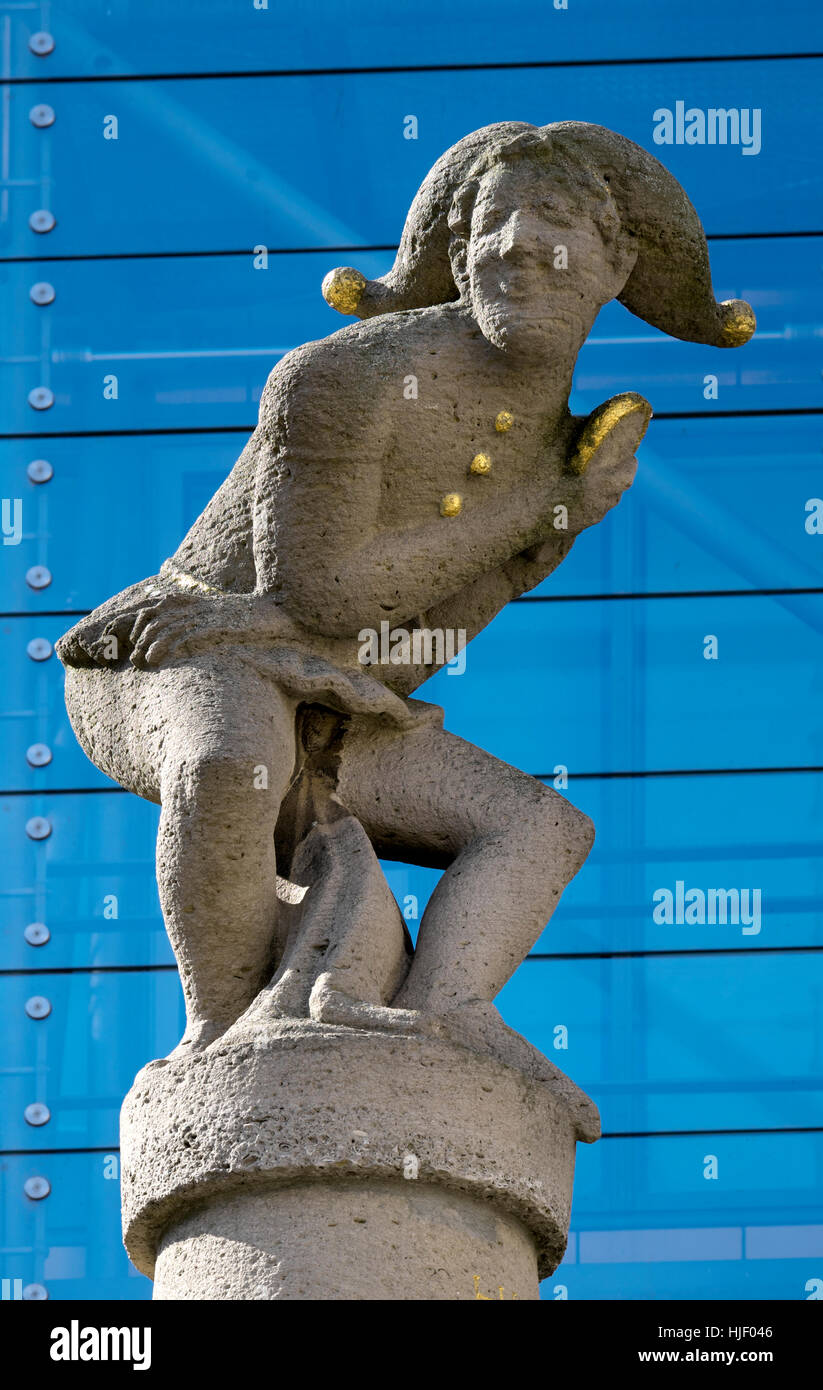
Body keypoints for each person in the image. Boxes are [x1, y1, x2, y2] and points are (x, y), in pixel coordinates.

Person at [58, 122, 754, 1059]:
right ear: (459, 254)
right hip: (180, 652)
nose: (515, 245)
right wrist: (546, 514)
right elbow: (325, 589)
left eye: (550, 219)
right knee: (231, 766)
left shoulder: (556, 455)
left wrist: (521, 556)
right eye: (490, 221)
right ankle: (226, 1048)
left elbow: (414, 647)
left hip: (332, 685)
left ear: (615, 262)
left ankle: (441, 1018)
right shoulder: (346, 375)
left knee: (539, 828)